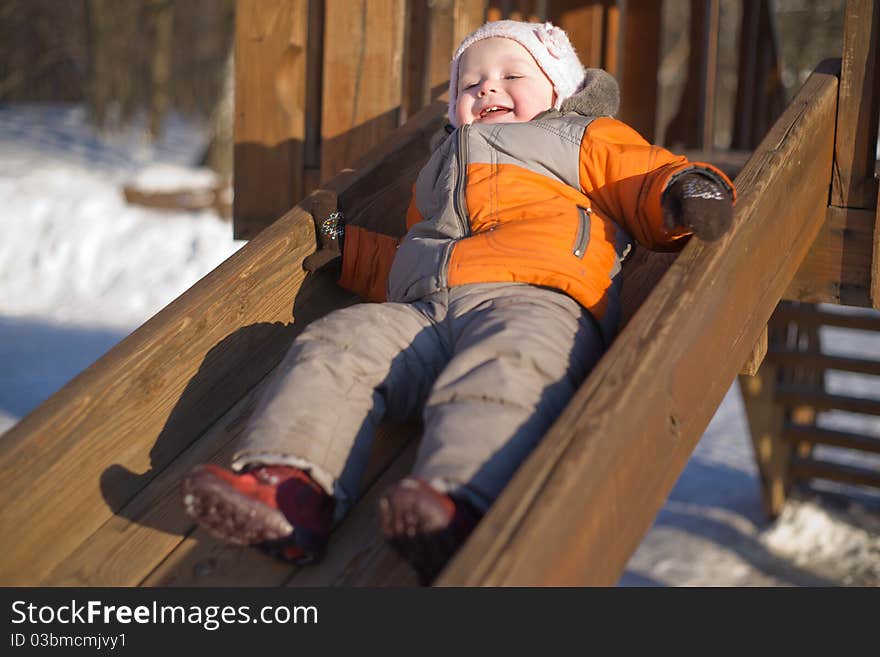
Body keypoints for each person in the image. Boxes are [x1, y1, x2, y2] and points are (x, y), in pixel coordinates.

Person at [181, 20, 736, 584]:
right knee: (337, 342)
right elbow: (415, 254)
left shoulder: (581, 137)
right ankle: (290, 489)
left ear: (558, 90)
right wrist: (349, 250)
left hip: (535, 303)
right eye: (470, 84)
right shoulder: (439, 169)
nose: (487, 89)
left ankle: (457, 500)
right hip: (426, 312)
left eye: (512, 75)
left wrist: (687, 190)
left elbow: (644, 176)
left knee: (506, 369)